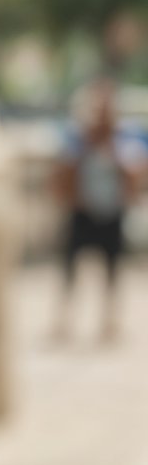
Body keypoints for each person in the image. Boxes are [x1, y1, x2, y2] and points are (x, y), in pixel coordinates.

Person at [50, 77, 145, 343]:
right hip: (83, 211)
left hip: (111, 212)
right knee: (70, 266)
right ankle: (64, 319)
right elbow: (62, 169)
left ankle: (109, 322)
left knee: (112, 269)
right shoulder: (78, 135)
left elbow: (135, 170)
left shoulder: (125, 135)